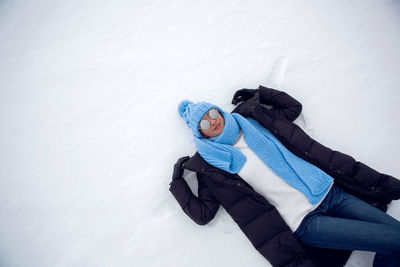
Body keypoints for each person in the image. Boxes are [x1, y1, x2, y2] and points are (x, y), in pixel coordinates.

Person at [169, 85, 400, 267]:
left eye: (212, 113)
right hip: (305, 222)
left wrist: (261, 94)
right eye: (205, 123)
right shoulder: (211, 167)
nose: (214, 120)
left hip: (330, 192)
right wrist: (178, 183)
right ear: (202, 134)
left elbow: (293, 108)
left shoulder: (254, 118)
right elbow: (203, 214)